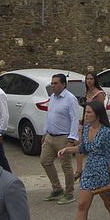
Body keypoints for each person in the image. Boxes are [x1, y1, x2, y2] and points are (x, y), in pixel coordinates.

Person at [56, 101, 110, 220]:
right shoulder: (85, 130)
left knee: (109, 204)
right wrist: (67, 149)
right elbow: (83, 148)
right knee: (82, 205)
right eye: (85, 113)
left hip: (103, 172)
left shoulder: (107, 133)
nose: (85, 115)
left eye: (89, 113)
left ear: (98, 115)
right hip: (90, 170)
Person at [40, 74, 80, 206]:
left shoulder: (70, 99)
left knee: (66, 166)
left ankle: (69, 193)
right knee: (45, 161)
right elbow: (48, 116)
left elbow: (75, 119)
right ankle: (57, 188)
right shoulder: (52, 97)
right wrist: (45, 133)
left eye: (56, 83)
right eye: (52, 83)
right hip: (50, 137)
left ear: (63, 84)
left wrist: (71, 139)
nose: (53, 86)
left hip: (64, 138)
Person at [74, 72, 107, 179]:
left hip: (94, 123)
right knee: (78, 142)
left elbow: (100, 110)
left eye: (91, 79)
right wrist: (82, 120)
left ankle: (95, 170)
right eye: (87, 79)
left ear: (95, 80)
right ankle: (79, 170)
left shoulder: (99, 94)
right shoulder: (87, 92)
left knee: (93, 148)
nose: (89, 81)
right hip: (85, 122)